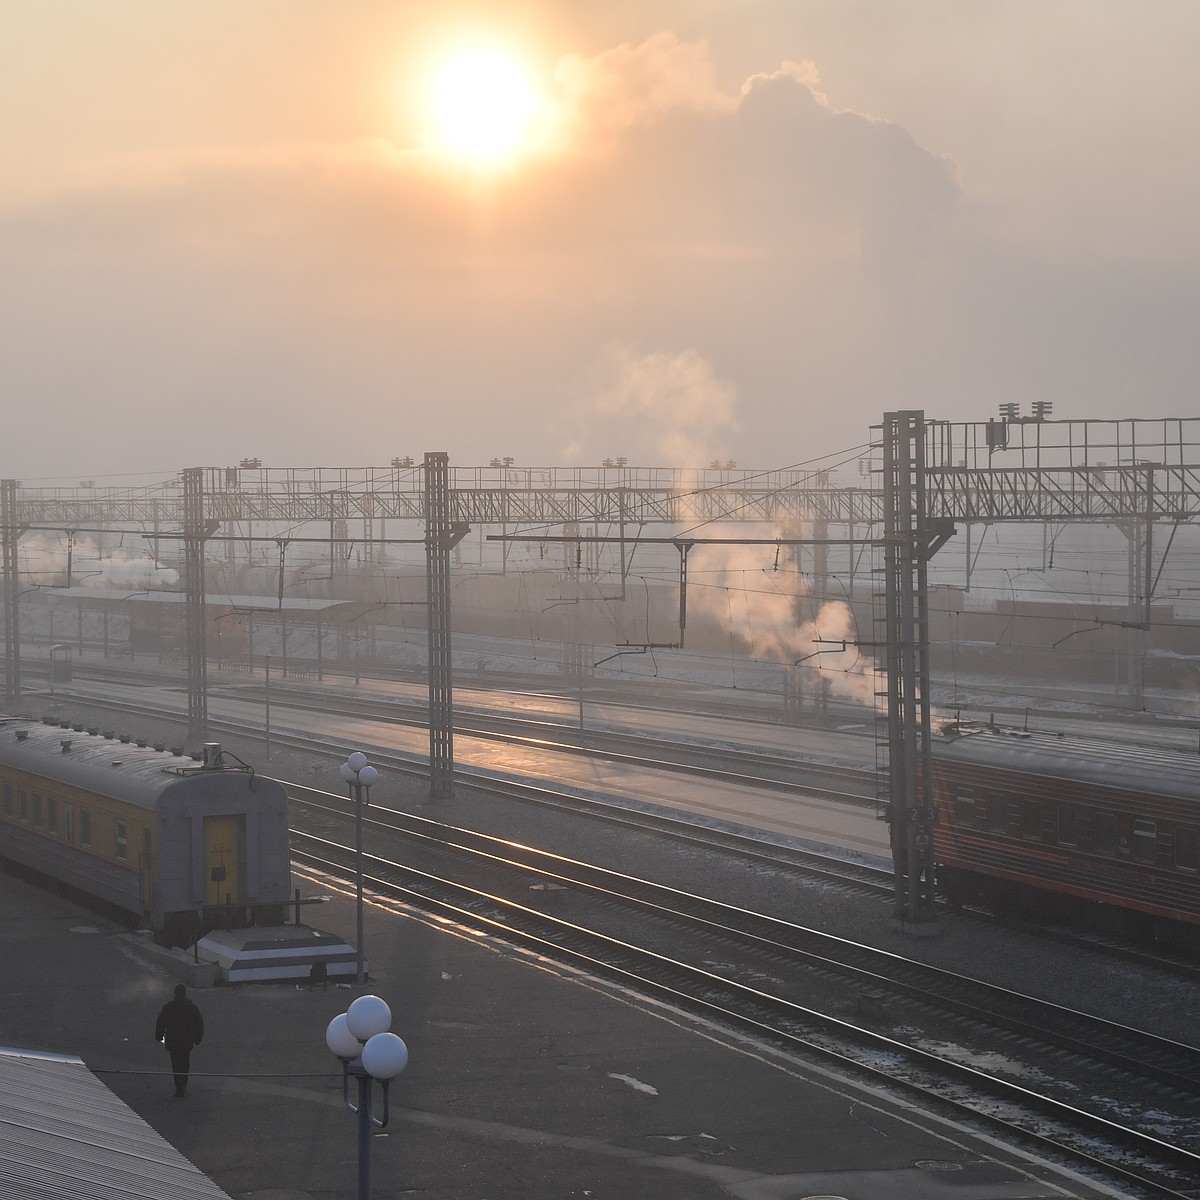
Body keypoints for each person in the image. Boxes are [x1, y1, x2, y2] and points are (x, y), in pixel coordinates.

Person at [155, 983, 205, 1097]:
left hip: (173, 1040)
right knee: (185, 1062)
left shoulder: (169, 1007)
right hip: (187, 1040)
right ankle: (184, 1083)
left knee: (176, 1063)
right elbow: (199, 1023)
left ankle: (179, 1086)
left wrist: (159, 1036)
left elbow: (161, 1022)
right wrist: (198, 1038)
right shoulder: (191, 1007)